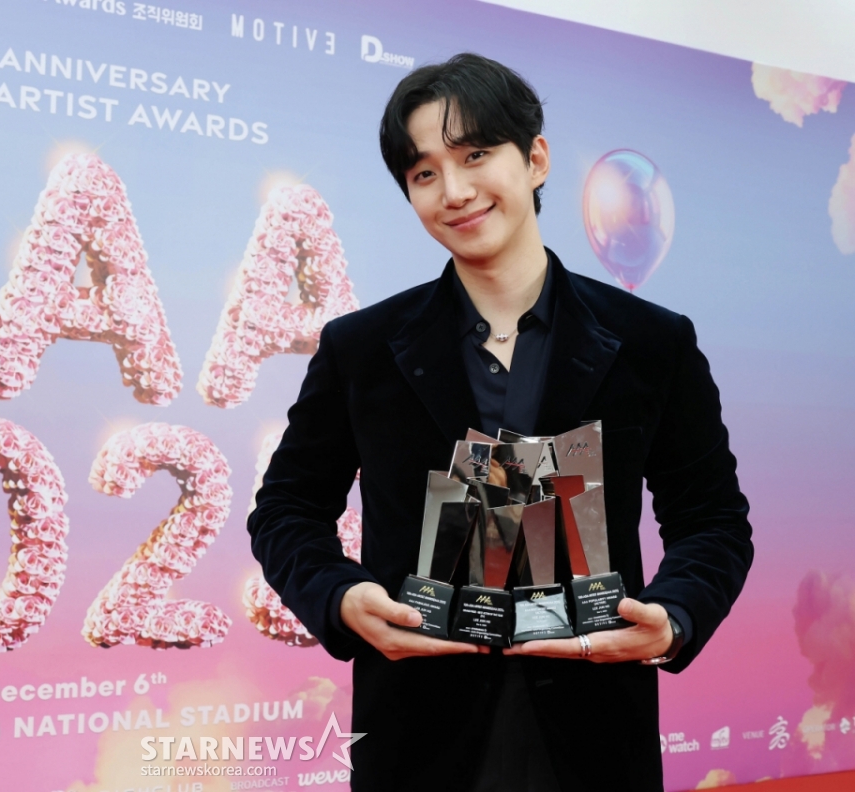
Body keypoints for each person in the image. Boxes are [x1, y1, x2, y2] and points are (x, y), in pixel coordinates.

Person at [248, 53, 753, 792]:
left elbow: (712, 519)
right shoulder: (362, 349)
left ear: (536, 158)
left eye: (475, 155)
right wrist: (341, 599)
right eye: (424, 173)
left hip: (594, 732)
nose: (454, 191)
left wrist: (675, 613)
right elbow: (287, 509)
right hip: (415, 734)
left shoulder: (652, 342)